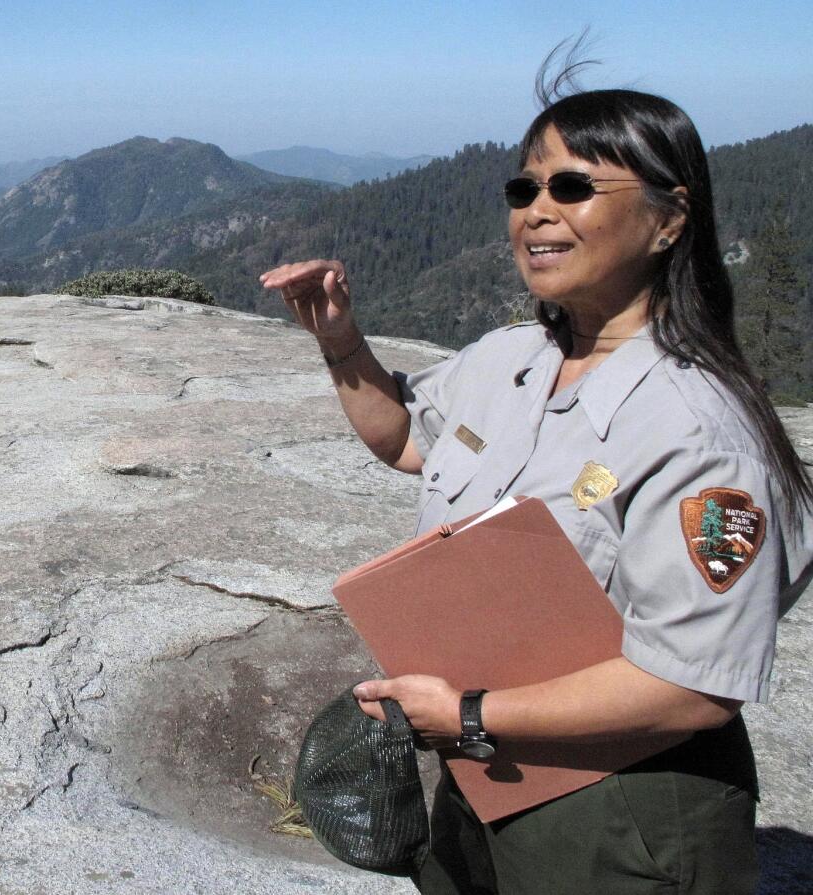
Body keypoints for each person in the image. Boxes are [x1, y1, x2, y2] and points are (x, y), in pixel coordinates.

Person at [260, 83, 813, 894]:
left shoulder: (698, 428)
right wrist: (340, 340)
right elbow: (410, 440)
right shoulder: (512, 358)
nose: (538, 211)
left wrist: (471, 715)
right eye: (525, 188)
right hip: (485, 772)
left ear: (669, 220)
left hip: (621, 808)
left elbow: (694, 686)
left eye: (575, 187)